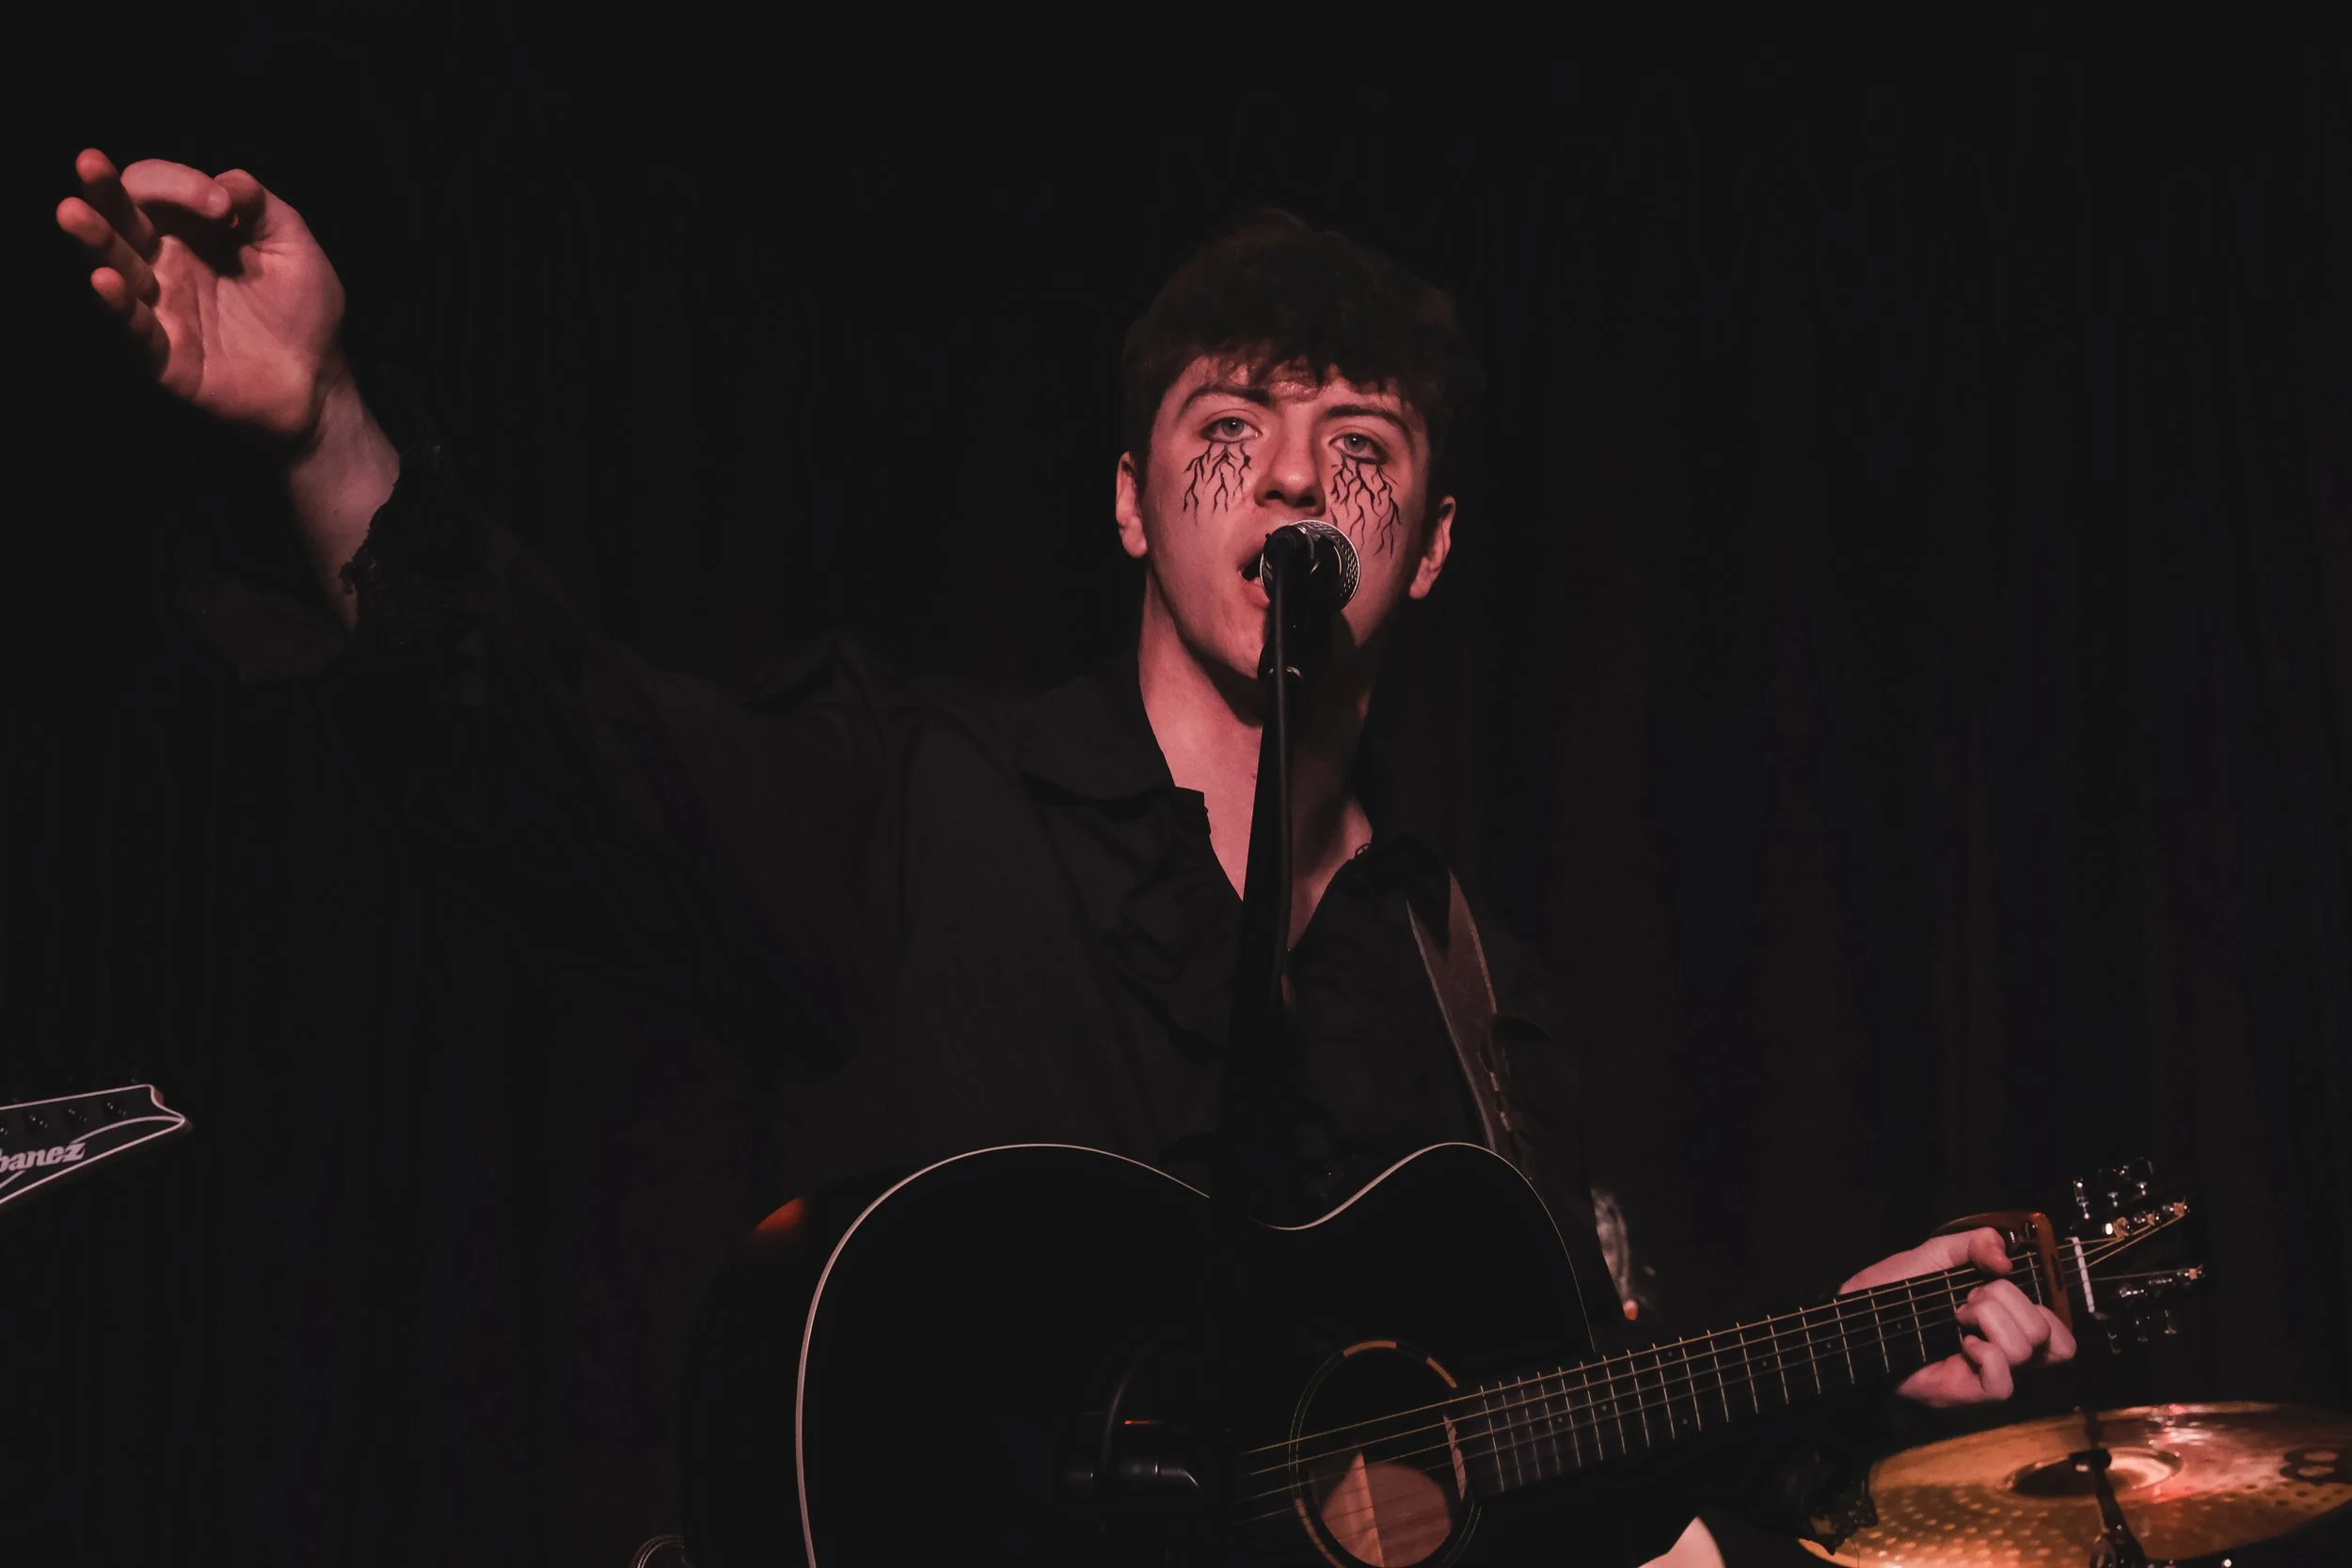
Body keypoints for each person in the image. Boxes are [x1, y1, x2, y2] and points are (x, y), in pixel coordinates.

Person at [56, 147, 2074, 1567]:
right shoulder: (915, 802)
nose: (1293, 473)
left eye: (1360, 444)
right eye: (1232, 424)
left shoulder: (1467, 980)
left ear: (1429, 549)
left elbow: (1531, 1454)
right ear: (1126, 501)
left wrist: (1837, 1344)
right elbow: (557, 753)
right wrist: (321, 424)